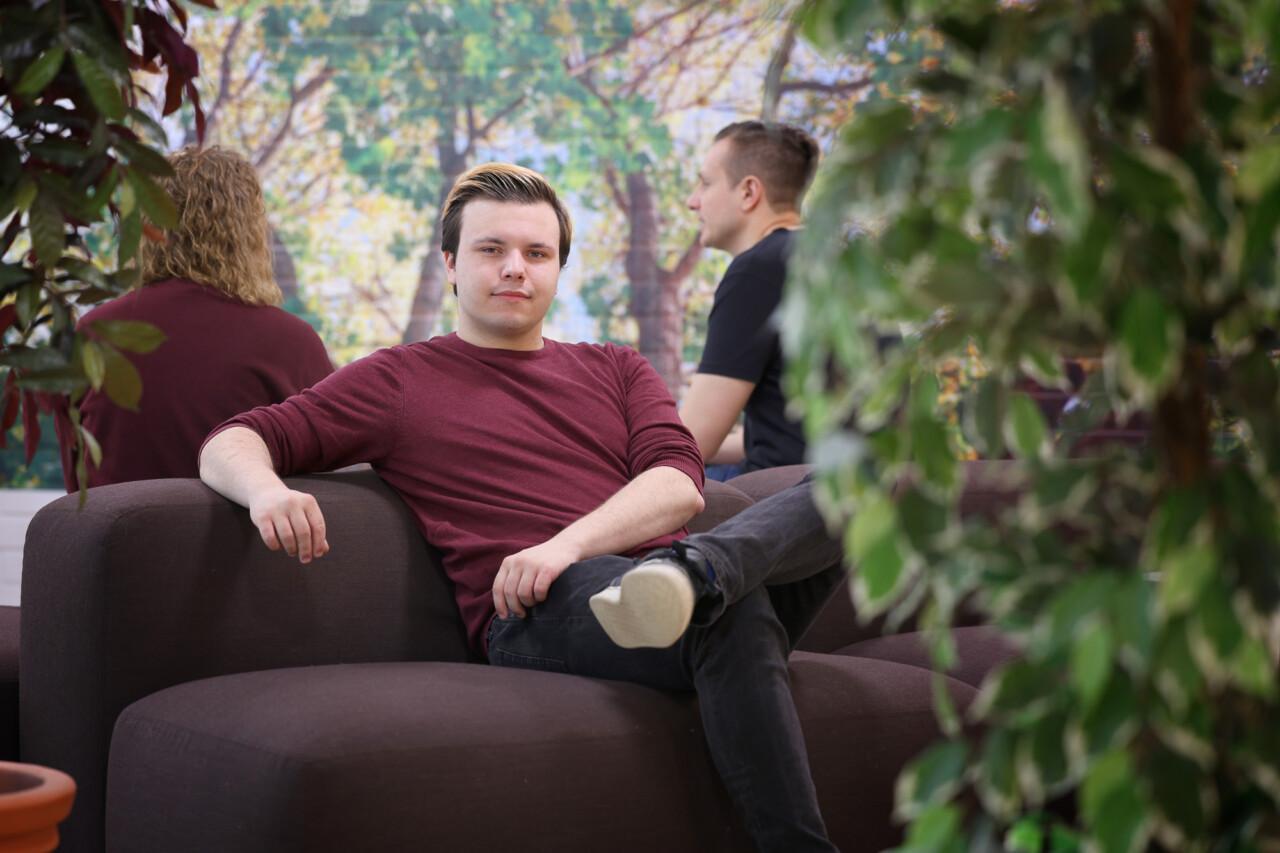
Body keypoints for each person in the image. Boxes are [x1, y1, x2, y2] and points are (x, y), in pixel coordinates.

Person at [198, 163, 845, 852]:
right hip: (536, 609)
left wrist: (568, 540)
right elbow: (233, 440)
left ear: (558, 269)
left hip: (639, 582)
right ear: (450, 262)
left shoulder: (617, 368)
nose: (515, 269)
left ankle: (698, 571)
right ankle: (705, 583)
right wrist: (267, 490)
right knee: (727, 604)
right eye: (491, 250)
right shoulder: (399, 379)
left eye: (537, 253)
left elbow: (679, 482)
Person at [58, 146, 332, 491]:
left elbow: (76, 484)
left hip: (114, 542)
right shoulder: (291, 342)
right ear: (249, 231)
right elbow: (326, 480)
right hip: (242, 543)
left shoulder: (94, 332)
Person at [680, 121, 820, 478]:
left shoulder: (758, 270)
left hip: (784, 499)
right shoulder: (834, 257)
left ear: (748, 193)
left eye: (706, 183)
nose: (692, 201)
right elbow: (791, 435)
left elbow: (689, 444)